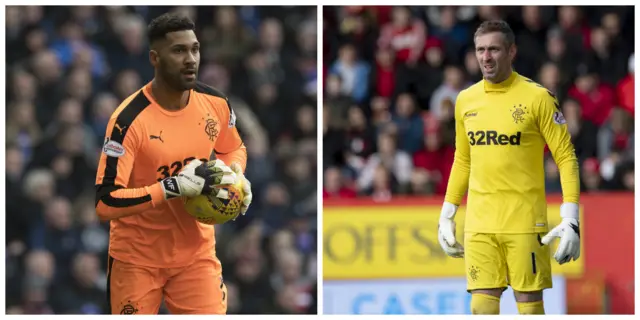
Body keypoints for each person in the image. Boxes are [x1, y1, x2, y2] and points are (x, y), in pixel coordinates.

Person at [94, 13, 252, 314]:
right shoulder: (127, 121)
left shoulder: (215, 103)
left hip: (196, 255)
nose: (190, 59)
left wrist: (237, 176)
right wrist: (171, 187)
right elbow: (105, 203)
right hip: (136, 259)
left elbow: (234, 148)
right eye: (179, 51)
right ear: (155, 57)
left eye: (195, 49)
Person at [437, 20, 581, 315]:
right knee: (481, 307)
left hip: (524, 224)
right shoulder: (465, 100)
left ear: (511, 51)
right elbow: (463, 159)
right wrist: (448, 212)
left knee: (529, 311)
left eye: (493, 49)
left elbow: (565, 156)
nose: (486, 57)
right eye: (480, 50)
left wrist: (571, 217)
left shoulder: (537, 98)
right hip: (479, 224)